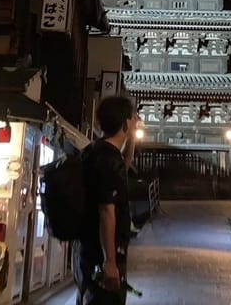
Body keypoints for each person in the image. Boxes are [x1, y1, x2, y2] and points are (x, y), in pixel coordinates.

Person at [73, 95, 138, 305]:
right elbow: (106, 211)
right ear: (125, 123)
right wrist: (110, 261)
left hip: (86, 251)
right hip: (101, 257)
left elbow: (122, 169)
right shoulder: (109, 161)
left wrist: (132, 140)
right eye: (132, 119)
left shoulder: (95, 151)